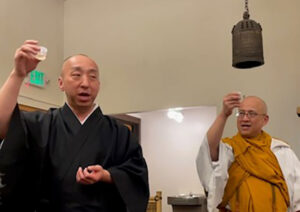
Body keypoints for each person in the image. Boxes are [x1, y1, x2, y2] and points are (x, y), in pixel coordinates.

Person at [0, 40, 149, 212]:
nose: (85, 83)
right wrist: (18, 74)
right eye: (76, 75)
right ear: (61, 83)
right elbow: (3, 126)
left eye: (92, 77)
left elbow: (136, 175)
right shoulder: (41, 124)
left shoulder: (120, 133)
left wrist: (108, 175)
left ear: (98, 86)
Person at [196, 92, 300, 212]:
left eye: (252, 114)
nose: (245, 118)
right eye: (241, 113)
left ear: (265, 120)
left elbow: (298, 190)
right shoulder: (229, 149)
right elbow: (207, 152)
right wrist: (224, 114)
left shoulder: (281, 151)